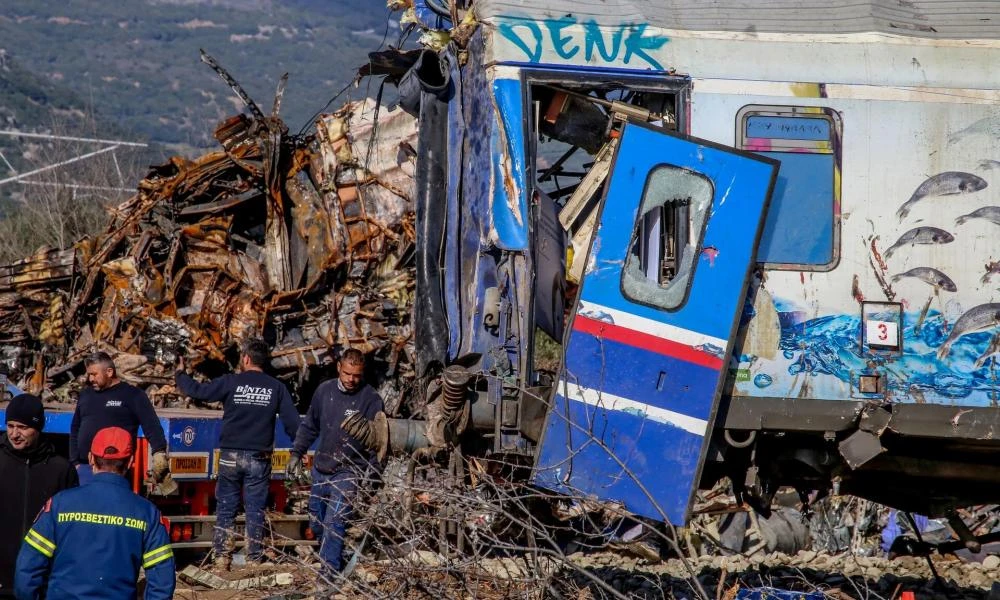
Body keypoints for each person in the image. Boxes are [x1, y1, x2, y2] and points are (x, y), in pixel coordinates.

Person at [175, 337, 300, 569]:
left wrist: (181, 373)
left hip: (230, 456)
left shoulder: (231, 382)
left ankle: (222, 557)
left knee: (226, 507)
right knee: (255, 509)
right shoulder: (276, 388)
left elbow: (198, 392)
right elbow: (293, 424)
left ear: (246, 359)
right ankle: (254, 559)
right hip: (258, 458)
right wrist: (298, 452)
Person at [14, 426, 175, 600]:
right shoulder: (147, 513)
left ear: (91, 458)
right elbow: (162, 580)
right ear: (130, 461)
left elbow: (27, 569)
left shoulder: (59, 505)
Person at [287, 348, 383, 579]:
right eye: (348, 373)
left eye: (357, 375)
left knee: (335, 521)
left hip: (349, 471)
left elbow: (379, 442)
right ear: (339, 367)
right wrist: (296, 454)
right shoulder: (324, 391)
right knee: (318, 521)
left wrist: (373, 475)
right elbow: (310, 425)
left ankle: (328, 573)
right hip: (322, 468)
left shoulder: (371, 399)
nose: (352, 380)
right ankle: (335, 555)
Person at [0, 395, 77, 599]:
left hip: (43, 582)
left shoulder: (61, 469)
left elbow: (70, 529)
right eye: (10, 426)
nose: (14, 434)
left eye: (23, 427)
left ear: (38, 427)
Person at [69, 352, 169, 486]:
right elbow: (75, 427)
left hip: (116, 469)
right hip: (85, 468)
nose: (90, 379)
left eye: (94, 374)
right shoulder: (86, 395)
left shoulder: (132, 395)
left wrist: (159, 452)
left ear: (109, 372)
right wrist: (75, 462)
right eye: (89, 374)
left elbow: (151, 425)